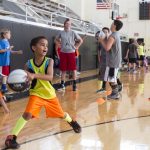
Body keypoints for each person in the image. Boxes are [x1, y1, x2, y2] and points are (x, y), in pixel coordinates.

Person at [5, 36, 81, 149]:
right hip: (36, 94)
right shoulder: (28, 64)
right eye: (42, 44)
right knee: (27, 114)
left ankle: (71, 121)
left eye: (46, 45)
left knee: (61, 114)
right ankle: (11, 137)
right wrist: (22, 84)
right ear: (34, 48)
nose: (45, 47)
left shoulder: (49, 61)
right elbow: (27, 81)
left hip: (49, 95)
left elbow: (50, 77)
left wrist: (33, 75)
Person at [55, 18, 83, 91]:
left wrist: (76, 47)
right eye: (67, 23)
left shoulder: (73, 32)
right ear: (64, 24)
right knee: (63, 69)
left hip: (71, 52)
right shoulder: (61, 32)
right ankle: (62, 85)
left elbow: (80, 40)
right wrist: (59, 44)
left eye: (69, 24)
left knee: (73, 69)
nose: (68, 25)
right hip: (63, 53)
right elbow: (56, 39)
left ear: (71, 25)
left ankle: (74, 85)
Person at [98, 20, 123, 99]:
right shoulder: (116, 34)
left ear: (114, 25)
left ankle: (115, 94)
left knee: (111, 79)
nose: (111, 24)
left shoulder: (112, 36)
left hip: (112, 61)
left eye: (112, 23)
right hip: (115, 60)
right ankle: (116, 92)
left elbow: (107, 48)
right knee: (112, 78)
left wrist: (101, 40)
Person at [0, 28, 23, 93]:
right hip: (2, 62)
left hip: (6, 62)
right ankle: (4, 88)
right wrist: (8, 49)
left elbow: (10, 51)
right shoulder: (1, 42)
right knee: (4, 75)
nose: (10, 35)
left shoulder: (7, 42)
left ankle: (3, 87)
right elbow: (0, 50)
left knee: (5, 75)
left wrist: (17, 52)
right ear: (4, 35)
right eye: (9, 33)